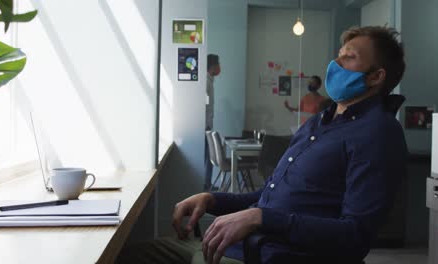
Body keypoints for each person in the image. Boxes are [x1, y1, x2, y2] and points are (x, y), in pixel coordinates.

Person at [117, 26, 407, 264]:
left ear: (375, 77)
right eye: (338, 55)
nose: (335, 64)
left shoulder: (379, 133)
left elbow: (355, 236)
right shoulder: (318, 123)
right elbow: (267, 198)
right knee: (121, 257)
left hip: (265, 256)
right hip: (230, 248)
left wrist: (261, 219)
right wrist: (212, 199)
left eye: (349, 58)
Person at [204, 54, 221, 191]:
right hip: (205, 126)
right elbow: (204, 104)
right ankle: (206, 185)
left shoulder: (210, 81)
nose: (220, 67)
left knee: (207, 158)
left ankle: (207, 184)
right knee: (207, 159)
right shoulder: (206, 82)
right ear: (213, 66)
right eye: (218, 64)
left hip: (207, 125)